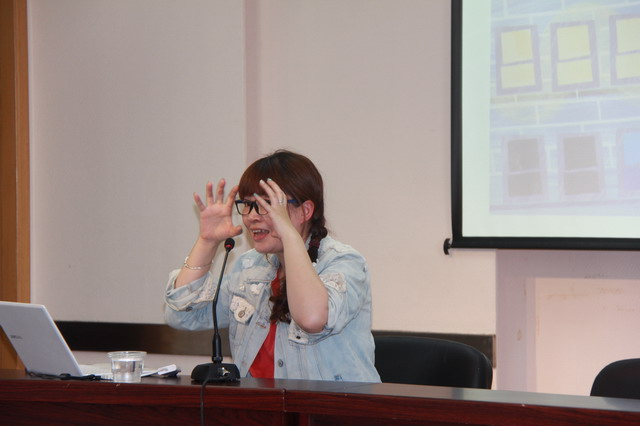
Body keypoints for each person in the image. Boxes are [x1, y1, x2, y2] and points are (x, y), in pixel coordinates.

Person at [164, 150, 380, 382]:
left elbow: (312, 319)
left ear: (305, 211)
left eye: (266, 204)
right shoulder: (249, 266)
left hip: (331, 404)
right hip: (261, 404)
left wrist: (288, 233)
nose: (251, 216)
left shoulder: (343, 262)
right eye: (247, 205)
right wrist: (207, 242)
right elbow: (182, 316)